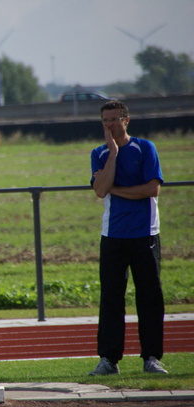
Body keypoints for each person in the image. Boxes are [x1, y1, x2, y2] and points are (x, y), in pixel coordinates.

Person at [89, 100, 167, 376]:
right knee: (111, 298)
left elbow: (151, 189)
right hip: (112, 235)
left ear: (126, 120)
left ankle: (152, 357)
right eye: (105, 121)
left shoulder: (145, 148)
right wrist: (112, 155)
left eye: (114, 119)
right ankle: (109, 359)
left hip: (145, 233)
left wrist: (117, 189)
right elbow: (100, 190)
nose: (109, 125)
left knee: (149, 296)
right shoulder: (99, 153)